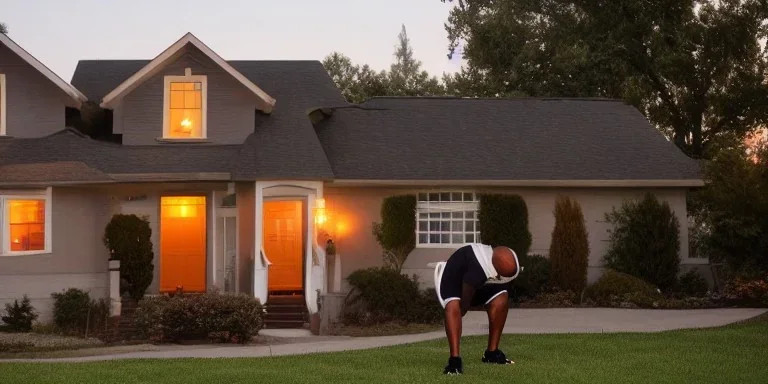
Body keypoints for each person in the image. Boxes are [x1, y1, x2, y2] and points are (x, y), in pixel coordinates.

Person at [433, 243, 521, 375]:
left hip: (481, 283)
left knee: (501, 298)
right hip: (454, 280)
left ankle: (492, 353)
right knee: (453, 307)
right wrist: (460, 312)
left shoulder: (504, 265)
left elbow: (503, 283)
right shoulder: (477, 270)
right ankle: (454, 362)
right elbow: (464, 304)